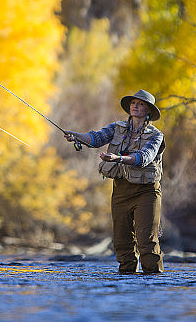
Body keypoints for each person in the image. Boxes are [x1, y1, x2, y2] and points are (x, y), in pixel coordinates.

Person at [65, 89, 165, 274]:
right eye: (133, 103)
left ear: (148, 111)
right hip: (121, 191)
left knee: (146, 241)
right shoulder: (116, 128)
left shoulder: (156, 135)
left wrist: (117, 158)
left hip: (146, 192)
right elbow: (96, 139)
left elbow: (144, 158)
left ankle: (154, 283)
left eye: (141, 104)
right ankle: (125, 283)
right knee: (121, 241)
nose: (135, 105)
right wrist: (77, 136)